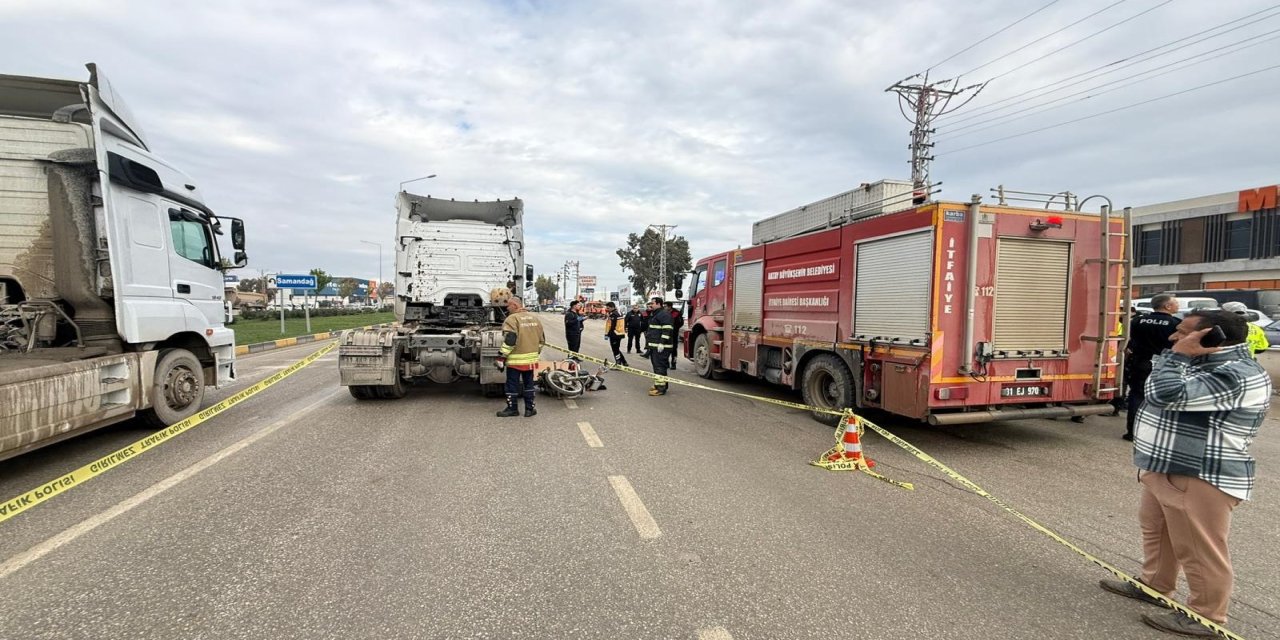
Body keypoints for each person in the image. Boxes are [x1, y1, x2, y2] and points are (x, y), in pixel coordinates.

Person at [1099, 310, 1270, 636]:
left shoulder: (1236, 374)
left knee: (1199, 550)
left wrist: (1176, 357)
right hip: (1166, 468)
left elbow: (1165, 395)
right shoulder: (1195, 364)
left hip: (1200, 474)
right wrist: (1176, 359)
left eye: (1183, 333)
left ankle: (1207, 616)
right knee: (1157, 532)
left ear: (1211, 338)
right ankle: (1156, 586)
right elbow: (1153, 387)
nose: (1173, 338)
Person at [1123, 294, 1180, 441]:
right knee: (1161, 397)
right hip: (1164, 364)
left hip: (1139, 362)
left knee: (1137, 395)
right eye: (1175, 303)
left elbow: (1130, 341)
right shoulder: (1176, 323)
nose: (1178, 306)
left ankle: (1132, 431)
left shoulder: (1137, 320)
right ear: (1167, 306)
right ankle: (1153, 433)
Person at [495, 297, 545, 418]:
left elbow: (510, 340)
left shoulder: (512, 319)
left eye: (509, 305)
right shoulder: (535, 318)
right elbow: (542, 340)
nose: (507, 308)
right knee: (529, 384)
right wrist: (535, 353)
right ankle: (529, 409)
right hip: (531, 360)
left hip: (515, 360)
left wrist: (502, 356)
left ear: (515, 306)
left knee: (512, 385)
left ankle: (512, 409)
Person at [644, 297, 675, 396]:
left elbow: (667, 330)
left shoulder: (664, 314)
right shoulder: (657, 313)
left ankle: (660, 389)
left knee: (659, 367)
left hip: (661, 347)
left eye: (652, 303)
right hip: (655, 346)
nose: (650, 305)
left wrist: (662, 342)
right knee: (658, 367)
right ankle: (660, 385)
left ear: (658, 304)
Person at [603, 301, 628, 366]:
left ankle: (618, 363)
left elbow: (612, 326)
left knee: (615, 350)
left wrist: (608, 334)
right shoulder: (616, 313)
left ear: (612, 307)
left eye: (608, 308)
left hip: (615, 334)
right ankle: (624, 362)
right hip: (618, 334)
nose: (607, 309)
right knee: (616, 349)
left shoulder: (614, 314)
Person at [665, 301, 684, 370]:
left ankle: (673, 364)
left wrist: (675, 328)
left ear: (669, 307)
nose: (664, 307)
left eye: (665, 306)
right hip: (665, 333)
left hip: (674, 334)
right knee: (665, 349)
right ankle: (666, 363)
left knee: (673, 350)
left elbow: (681, 322)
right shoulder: (664, 313)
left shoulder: (676, 313)